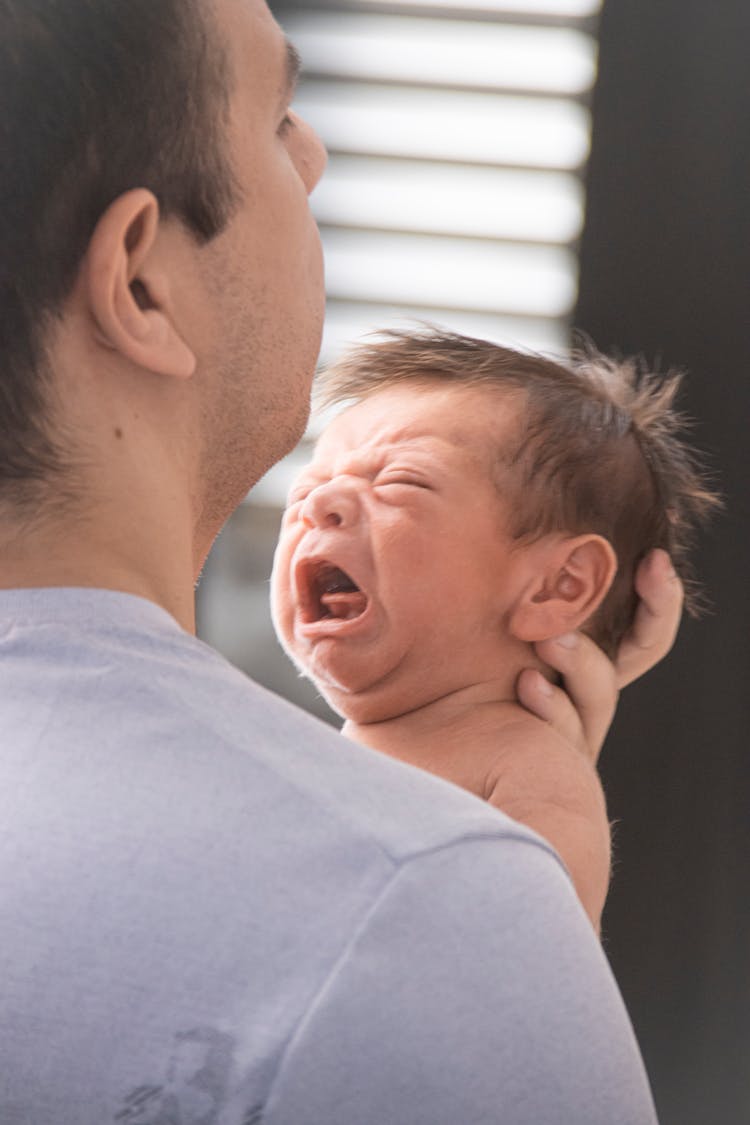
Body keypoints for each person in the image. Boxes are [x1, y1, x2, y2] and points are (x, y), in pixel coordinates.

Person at [0, 1, 682, 1122]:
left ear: (561, 584)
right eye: (276, 120)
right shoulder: (436, 911)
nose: (311, 152)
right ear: (139, 279)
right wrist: (471, 890)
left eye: (400, 481)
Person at [271, 327, 719, 930]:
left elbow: (528, 974)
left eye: (400, 482)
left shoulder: (526, 768)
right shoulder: (310, 747)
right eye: (308, 487)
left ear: (558, 586)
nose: (320, 506)